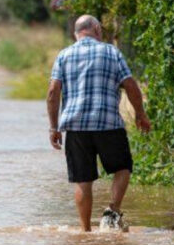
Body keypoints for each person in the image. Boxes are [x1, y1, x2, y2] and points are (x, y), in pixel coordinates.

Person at [47, 15, 151, 232]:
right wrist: (140, 114)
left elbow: (52, 93)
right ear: (95, 28)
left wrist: (54, 127)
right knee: (122, 167)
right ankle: (111, 212)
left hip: (75, 127)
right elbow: (130, 85)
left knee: (83, 181)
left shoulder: (64, 55)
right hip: (108, 124)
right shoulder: (111, 52)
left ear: (76, 33)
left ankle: (85, 232)